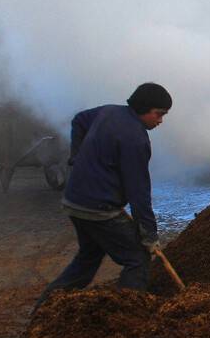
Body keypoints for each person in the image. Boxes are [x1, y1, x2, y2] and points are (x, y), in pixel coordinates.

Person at [33, 82, 171, 311]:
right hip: (98, 209)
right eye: (159, 114)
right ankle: (126, 317)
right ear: (144, 108)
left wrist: (75, 156)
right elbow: (138, 192)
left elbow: (78, 120)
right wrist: (149, 235)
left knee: (88, 258)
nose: (160, 121)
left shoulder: (109, 111)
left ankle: (44, 308)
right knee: (138, 259)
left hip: (73, 200)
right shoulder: (136, 140)